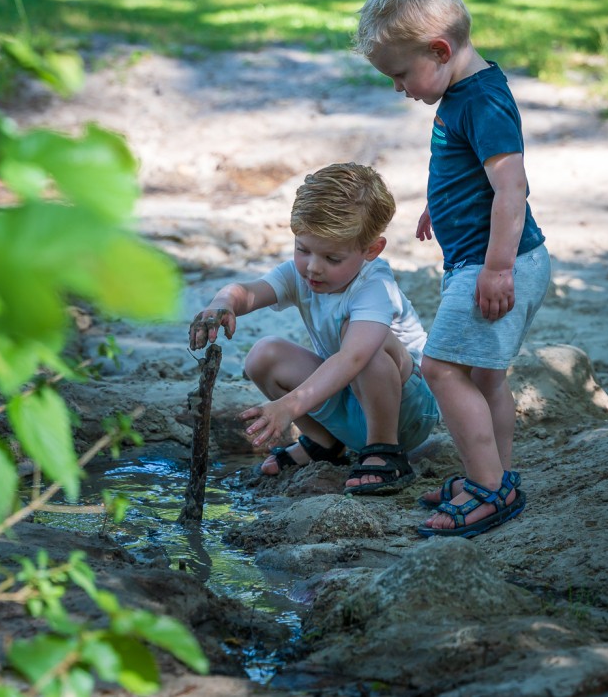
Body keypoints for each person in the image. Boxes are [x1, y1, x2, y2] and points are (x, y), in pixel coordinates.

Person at [352, 0, 551, 537]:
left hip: (496, 263)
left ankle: (491, 491)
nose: (398, 88)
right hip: (488, 258)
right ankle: (495, 475)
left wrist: (496, 267)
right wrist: (441, 202)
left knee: (440, 368)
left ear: (439, 51)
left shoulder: (482, 101)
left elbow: (512, 187)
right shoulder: (464, 91)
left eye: (399, 74)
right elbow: (476, 174)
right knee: (485, 379)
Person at [187, 162, 440, 494]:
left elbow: (352, 359)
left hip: (406, 411)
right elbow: (248, 292)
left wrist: (288, 407)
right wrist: (223, 302)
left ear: (371, 250)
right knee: (264, 354)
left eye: (332, 259)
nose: (313, 268)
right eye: (302, 250)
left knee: (370, 347)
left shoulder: (374, 287)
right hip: (349, 396)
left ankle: (384, 452)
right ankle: (325, 443)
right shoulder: (300, 274)